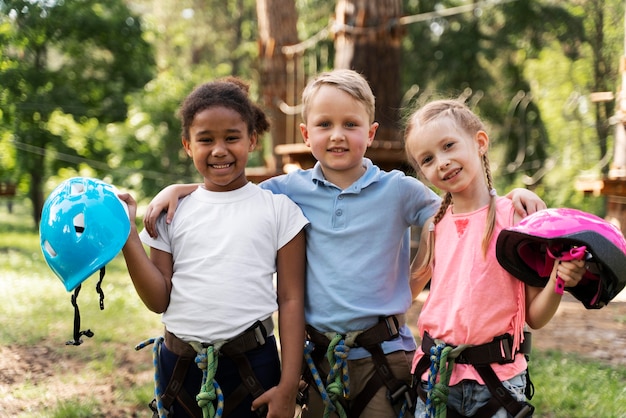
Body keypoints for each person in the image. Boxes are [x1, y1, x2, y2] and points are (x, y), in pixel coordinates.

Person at [142, 70, 545, 418]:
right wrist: (181, 188)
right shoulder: (288, 190)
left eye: (351, 125)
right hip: (318, 360)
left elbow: (461, 206)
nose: (337, 135)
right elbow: (230, 187)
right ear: (306, 133)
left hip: (385, 358)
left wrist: (508, 198)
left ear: (370, 133)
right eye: (324, 125)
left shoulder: (399, 190)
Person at [118, 77, 309, 418]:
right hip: (179, 369)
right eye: (205, 140)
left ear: (252, 139)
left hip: (253, 369)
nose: (219, 149)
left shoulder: (279, 210)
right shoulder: (170, 212)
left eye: (231, 138)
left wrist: (289, 385)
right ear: (187, 145)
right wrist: (128, 235)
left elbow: (291, 300)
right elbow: (158, 299)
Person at [404, 99, 586, 418]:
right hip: (435, 381)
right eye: (428, 159)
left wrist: (559, 279)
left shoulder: (515, 219)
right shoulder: (435, 225)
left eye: (449, 145)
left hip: (498, 385)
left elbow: (536, 317)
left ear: (480, 142)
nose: (442, 162)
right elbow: (404, 292)